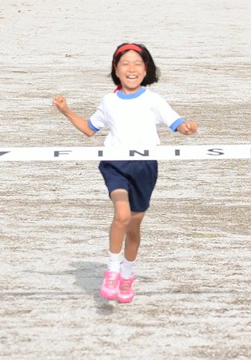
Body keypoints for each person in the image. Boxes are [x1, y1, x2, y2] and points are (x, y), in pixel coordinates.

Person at [52, 43, 198, 303]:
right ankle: (112, 271)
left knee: (133, 225)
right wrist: (66, 111)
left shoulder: (153, 100)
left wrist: (188, 128)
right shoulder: (108, 101)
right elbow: (89, 129)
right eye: (125, 64)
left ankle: (127, 274)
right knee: (121, 214)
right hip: (114, 164)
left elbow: (178, 125)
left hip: (145, 167)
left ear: (146, 70)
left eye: (137, 64)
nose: (131, 69)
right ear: (116, 70)